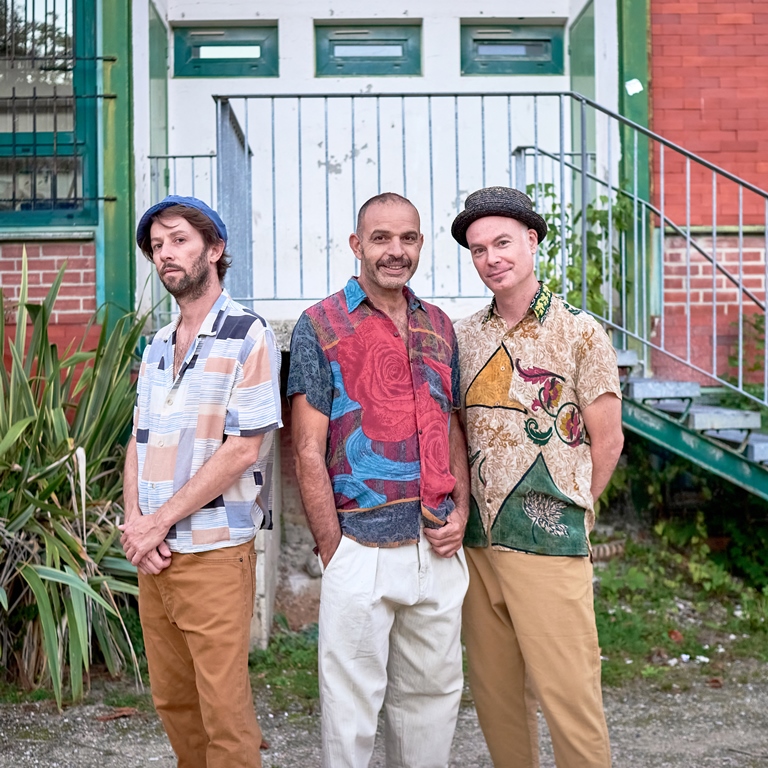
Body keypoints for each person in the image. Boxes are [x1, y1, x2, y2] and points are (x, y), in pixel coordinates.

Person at [288, 192, 470, 768]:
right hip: (359, 548)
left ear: (420, 243)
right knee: (351, 710)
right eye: (382, 238)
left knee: (433, 700)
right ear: (356, 245)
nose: (396, 251)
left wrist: (460, 511)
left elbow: (452, 428)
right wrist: (332, 547)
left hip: (437, 545)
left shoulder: (439, 325)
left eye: (408, 238)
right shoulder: (320, 325)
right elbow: (307, 449)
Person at [452, 186, 624, 768]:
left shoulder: (580, 332)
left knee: (569, 698)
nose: (491, 258)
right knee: (497, 702)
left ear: (531, 240)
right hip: (477, 544)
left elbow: (609, 438)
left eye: (502, 242)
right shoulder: (463, 335)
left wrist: (580, 508)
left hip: (548, 541)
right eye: (478, 250)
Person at [120, 195, 282, 768]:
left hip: (213, 551)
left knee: (223, 711)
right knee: (174, 702)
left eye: (180, 240)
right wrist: (135, 524)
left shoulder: (248, 333)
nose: (166, 254)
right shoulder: (158, 344)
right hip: (154, 556)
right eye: (157, 246)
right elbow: (136, 443)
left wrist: (158, 522)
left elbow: (243, 448)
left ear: (214, 250)